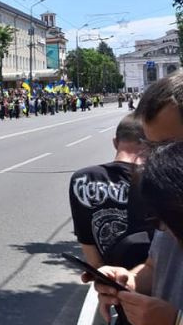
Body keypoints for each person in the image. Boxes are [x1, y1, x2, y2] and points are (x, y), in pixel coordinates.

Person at [89, 73, 183, 325]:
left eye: (169, 146)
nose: (153, 160)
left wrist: (176, 321)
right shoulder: (170, 194)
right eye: (151, 147)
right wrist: (129, 280)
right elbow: (157, 265)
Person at [68, 114, 152, 269]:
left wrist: (103, 275)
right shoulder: (156, 179)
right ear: (149, 144)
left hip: (108, 279)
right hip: (153, 280)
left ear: (115, 142)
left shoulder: (83, 179)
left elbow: (86, 238)